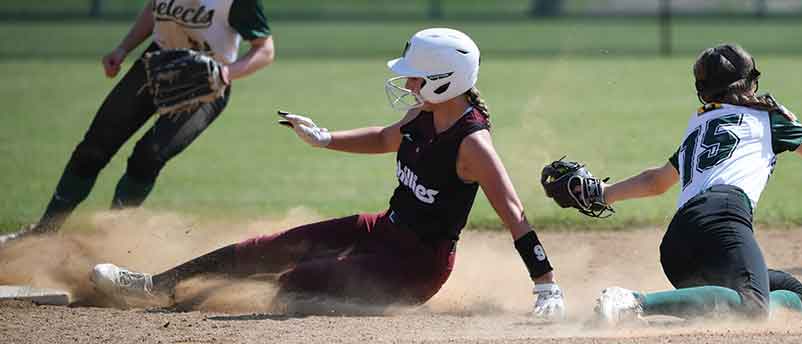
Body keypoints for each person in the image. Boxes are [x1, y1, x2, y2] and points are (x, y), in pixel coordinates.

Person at [89, 28, 566, 318]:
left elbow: (514, 213)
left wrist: (545, 284)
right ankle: (154, 286)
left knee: (300, 280)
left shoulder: (472, 143)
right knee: (270, 247)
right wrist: (324, 137)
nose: (407, 82)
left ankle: (192, 297)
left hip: (417, 268)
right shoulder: (422, 114)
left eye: (415, 75)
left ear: (446, 79)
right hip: (383, 230)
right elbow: (382, 139)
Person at [587, 43, 802, 324]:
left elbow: (656, 182)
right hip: (722, 217)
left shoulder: (699, 125)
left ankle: (712, 302)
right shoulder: (768, 117)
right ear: (750, 83)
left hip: (676, 245)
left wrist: (603, 193)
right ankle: (634, 303)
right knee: (755, 307)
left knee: (796, 294)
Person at [0, 0, 275, 243]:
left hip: (207, 84)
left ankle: (110, 239)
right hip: (155, 64)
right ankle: (44, 232)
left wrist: (226, 73)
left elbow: (265, 50)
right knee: (94, 147)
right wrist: (123, 48)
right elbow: (153, 9)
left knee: (148, 155)